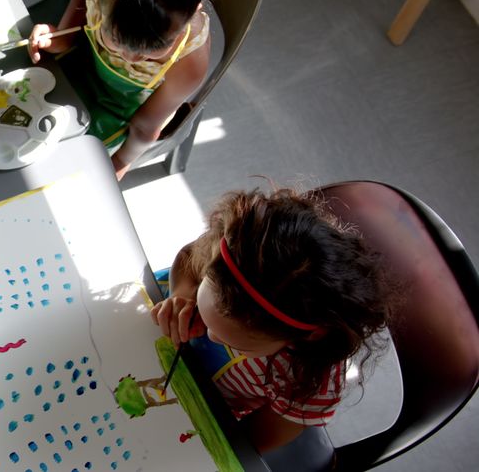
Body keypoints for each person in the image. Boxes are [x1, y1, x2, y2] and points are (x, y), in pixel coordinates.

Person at [150, 187, 396, 454]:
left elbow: (245, 445)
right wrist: (183, 293)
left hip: (200, 410)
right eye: (202, 305)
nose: (209, 335)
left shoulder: (309, 385)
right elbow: (189, 257)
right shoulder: (230, 255)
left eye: (235, 342)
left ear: (303, 337)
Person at [28, 0, 210, 181]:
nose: (132, 58)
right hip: (79, 66)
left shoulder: (190, 63)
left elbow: (146, 126)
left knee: (54, 172)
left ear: (192, 15)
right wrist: (61, 36)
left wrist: (120, 162)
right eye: (117, 39)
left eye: (150, 51)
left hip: (118, 114)